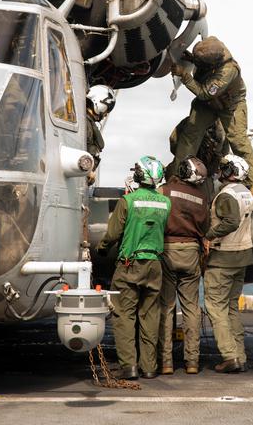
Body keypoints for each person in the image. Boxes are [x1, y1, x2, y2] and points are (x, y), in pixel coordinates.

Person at [97, 156, 171, 380]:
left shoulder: (128, 201)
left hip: (130, 265)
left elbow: (112, 234)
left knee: (124, 315)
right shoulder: (165, 203)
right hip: (155, 264)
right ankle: (149, 367)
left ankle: (129, 366)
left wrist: (102, 248)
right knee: (149, 315)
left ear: (141, 175)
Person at [166, 36, 253, 200]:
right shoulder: (211, 45)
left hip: (230, 106)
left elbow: (204, 93)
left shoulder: (227, 71)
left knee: (238, 140)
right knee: (190, 135)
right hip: (209, 103)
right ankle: (176, 176)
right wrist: (192, 58)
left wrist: (185, 75)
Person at [203, 154, 253, 373]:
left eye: (223, 168)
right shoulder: (246, 193)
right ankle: (240, 356)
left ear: (229, 172)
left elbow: (231, 222)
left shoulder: (226, 195)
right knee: (232, 308)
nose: (219, 172)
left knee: (216, 307)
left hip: (223, 257)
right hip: (242, 257)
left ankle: (229, 356)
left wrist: (208, 236)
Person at [158, 156, 209, 375]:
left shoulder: (165, 190)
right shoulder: (203, 198)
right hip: (191, 252)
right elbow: (206, 227)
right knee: (191, 309)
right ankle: (192, 362)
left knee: (167, 307)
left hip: (169, 250)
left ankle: (166, 362)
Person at [86, 84, 115, 185]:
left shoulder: (87, 122)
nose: (106, 114)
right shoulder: (86, 123)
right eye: (107, 110)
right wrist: (87, 172)